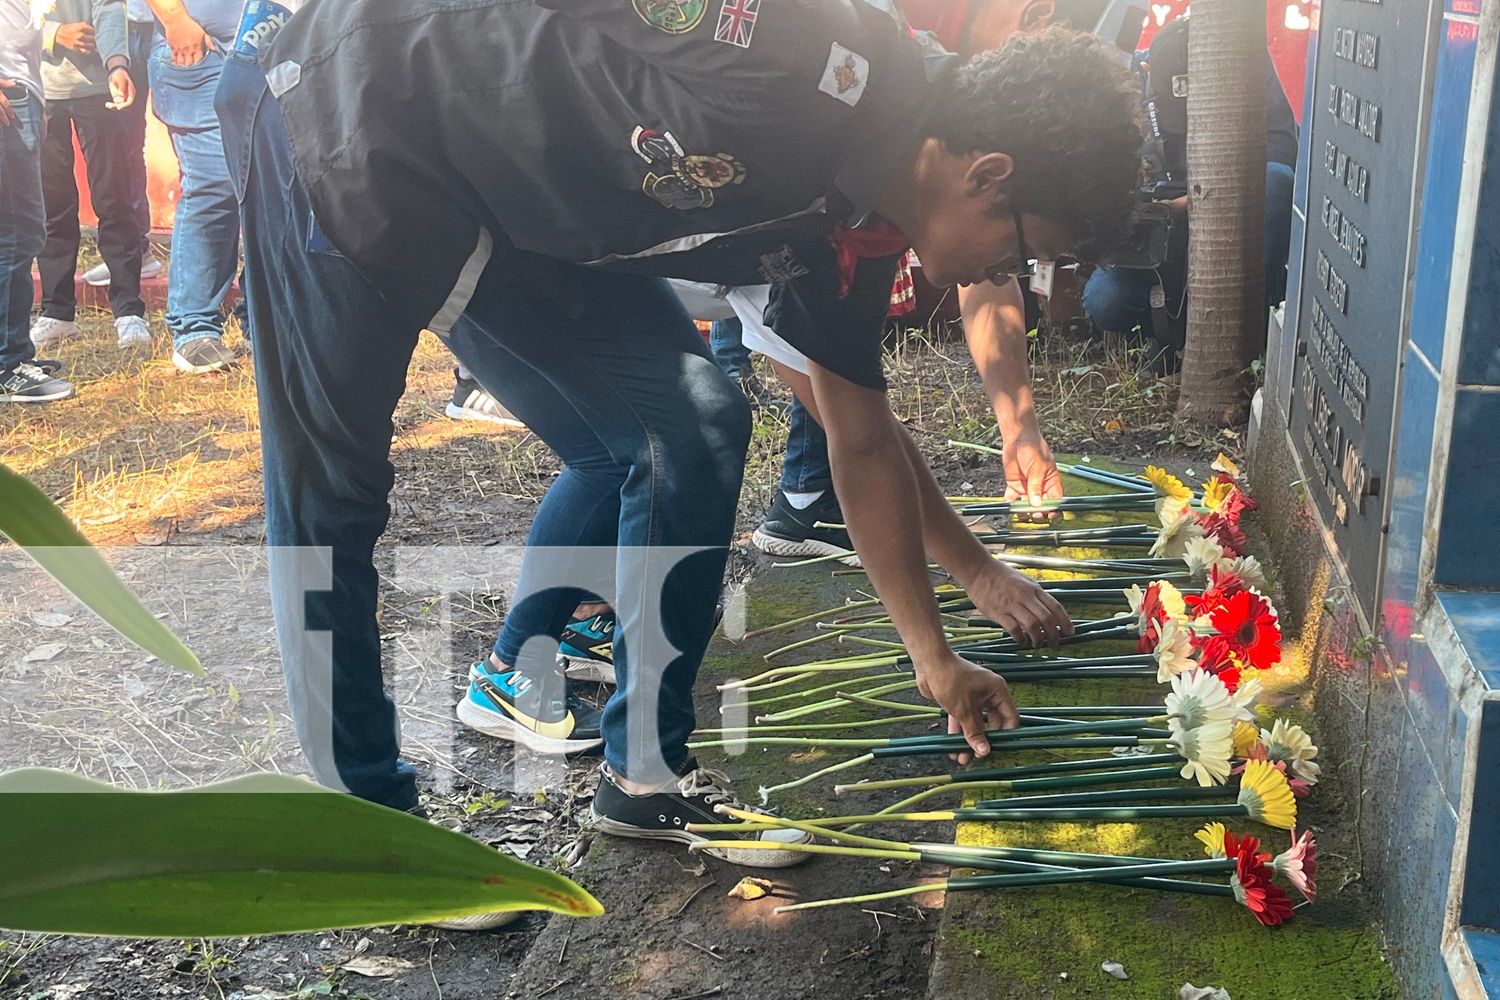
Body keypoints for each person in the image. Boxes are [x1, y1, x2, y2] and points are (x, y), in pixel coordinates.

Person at [222, 0, 1141, 865]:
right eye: (1024, 251)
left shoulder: (867, 221)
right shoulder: (800, 45)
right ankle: (373, 834)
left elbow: (860, 442)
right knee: (328, 496)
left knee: (691, 424)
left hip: (509, 212)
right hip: (354, 118)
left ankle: (643, 777)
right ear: (989, 177)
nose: (1009, 273)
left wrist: (935, 655)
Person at [751, 0, 1092, 565]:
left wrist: (1020, 429)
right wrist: (972, 568)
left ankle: (808, 497)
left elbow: (979, 258)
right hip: (602, 225)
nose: (1034, 38)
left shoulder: (916, 155)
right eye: (1036, 22)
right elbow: (861, 436)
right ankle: (806, 499)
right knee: (669, 439)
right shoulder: (851, 62)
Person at [1081, 14, 1299, 363]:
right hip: (1157, 239)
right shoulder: (1124, 83)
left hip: (1234, 226)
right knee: (1104, 301)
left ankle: (1256, 343)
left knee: (1274, 182)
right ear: (1149, 71)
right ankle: (1170, 337)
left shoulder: (1248, 62)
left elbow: (1283, 150)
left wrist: (1191, 203)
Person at [30, 0, 152, 353]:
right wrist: (53, 34)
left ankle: (129, 310)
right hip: (38, 91)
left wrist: (117, 63)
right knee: (53, 206)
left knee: (113, 199)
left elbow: (110, 6)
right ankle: (57, 312)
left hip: (98, 89)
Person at [143, 0, 240, 373]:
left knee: (279, 187)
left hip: (277, 47)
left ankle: (262, 319)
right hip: (200, 49)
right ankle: (194, 327)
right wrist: (174, 18)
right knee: (214, 186)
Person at [1, 0, 76, 403]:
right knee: (13, 234)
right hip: (7, 93)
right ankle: (6, 364)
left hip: (20, 94)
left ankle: (14, 355)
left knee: (21, 232)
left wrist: (38, 99)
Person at [83, 0, 164, 288]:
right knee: (125, 146)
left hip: (171, 22)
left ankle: (138, 248)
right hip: (120, 26)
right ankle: (137, 249)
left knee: (191, 137)